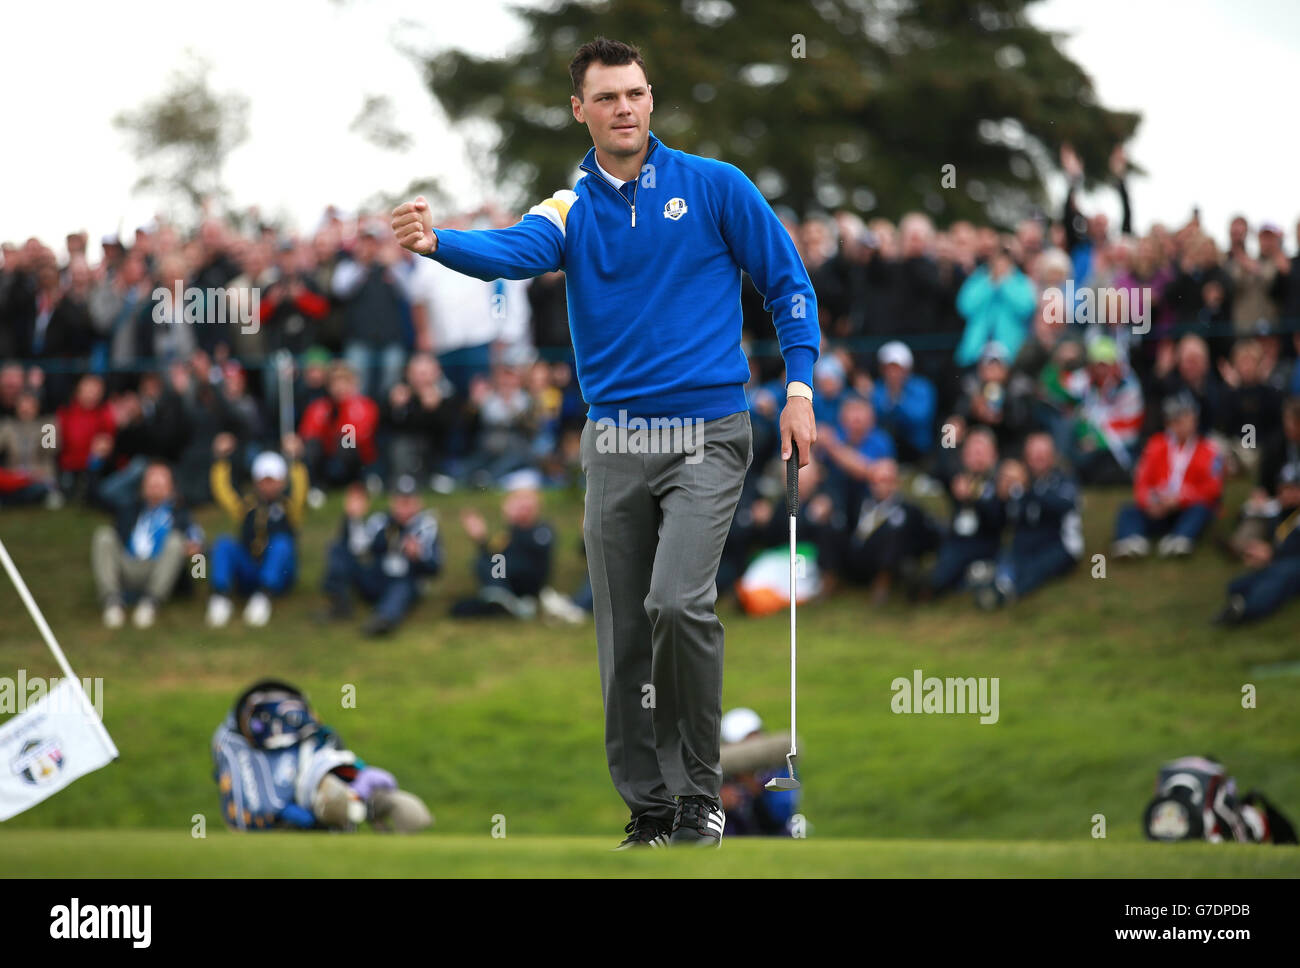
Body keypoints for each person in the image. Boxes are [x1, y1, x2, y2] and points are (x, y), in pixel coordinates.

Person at [391, 36, 819, 848]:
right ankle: (650, 809)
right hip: (616, 439)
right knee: (623, 630)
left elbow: (788, 284)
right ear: (580, 110)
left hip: (709, 433)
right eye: (608, 97)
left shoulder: (715, 186)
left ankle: (699, 797)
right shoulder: (569, 207)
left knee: (676, 601)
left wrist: (799, 389)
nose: (626, 107)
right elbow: (511, 252)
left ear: (651, 100)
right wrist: (438, 241)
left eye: (637, 93)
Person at [212, 679, 432, 832]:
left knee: (355, 797)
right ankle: (363, 806)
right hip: (312, 800)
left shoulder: (313, 742)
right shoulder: (237, 741)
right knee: (338, 800)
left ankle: (377, 804)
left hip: (328, 785)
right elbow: (258, 808)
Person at [206, 433, 309, 628]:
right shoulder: (246, 506)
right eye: (263, 480)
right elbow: (223, 492)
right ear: (256, 481)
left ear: (282, 481)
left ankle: (263, 597)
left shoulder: (290, 507)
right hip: (250, 569)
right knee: (224, 543)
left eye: (273, 480)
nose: (268, 485)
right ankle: (220, 596)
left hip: (280, 575)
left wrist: (296, 460)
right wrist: (221, 461)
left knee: (282, 543)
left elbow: (301, 490)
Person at [320, 476, 442, 637]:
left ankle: (384, 619)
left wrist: (419, 556)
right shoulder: (380, 521)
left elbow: (436, 567)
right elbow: (357, 547)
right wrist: (352, 519)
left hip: (406, 583)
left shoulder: (426, 526)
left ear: (419, 502)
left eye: (409, 502)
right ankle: (338, 603)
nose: (404, 508)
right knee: (337, 549)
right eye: (400, 501)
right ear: (392, 501)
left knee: (402, 587)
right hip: (378, 577)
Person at [974, 433, 1082, 609]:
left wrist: (1028, 489)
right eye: (1034, 453)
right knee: (1011, 555)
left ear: (1053, 455)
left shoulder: (1063, 478)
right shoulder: (1018, 481)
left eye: (1043, 453)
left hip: (1060, 543)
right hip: (1027, 543)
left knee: (1038, 567)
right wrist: (1000, 497)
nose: (1038, 457)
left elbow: (1063, 505)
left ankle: (1009, 591)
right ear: (1026, 456)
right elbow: (999, 519)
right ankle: (995, 582)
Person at [91, 462, 203, 629]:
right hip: (128, 565)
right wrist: (96, 463)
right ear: (142, 486)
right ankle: (112, 602)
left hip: (159, 569)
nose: (155, 484)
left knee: (176, 541)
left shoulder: (181, 514)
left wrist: (196, 561)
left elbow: (199, 549)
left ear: (171, 487)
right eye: (151, 479)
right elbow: (95, 497)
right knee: (104, 536)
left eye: (161, 480)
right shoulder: (128, 508)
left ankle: (151, 603)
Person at [1112, 393, 1224, 559]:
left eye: (1185, 418)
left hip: (1186, 507)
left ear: (1194, 419)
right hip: (1159, 505)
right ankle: (1131, 540)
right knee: (1128, 511)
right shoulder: (1155, 445)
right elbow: (1142, 481)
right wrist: (1150, 500)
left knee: (1200, 510)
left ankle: (1180, 539)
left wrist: (1181, 499)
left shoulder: (1210, 450)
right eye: (1175, 420)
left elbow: (1213, 488)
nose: (1180, 424)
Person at [450, 470, 556, 619]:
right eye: (518, 500)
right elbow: (495, 555)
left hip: (528, 584)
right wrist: (480, 539)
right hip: (508, 582)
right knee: (482, 562)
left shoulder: (543, 530)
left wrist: (515, 524)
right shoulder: (508, 534)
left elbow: (531, 551)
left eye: (527, 500)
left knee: (491, 564)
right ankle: (500, 598)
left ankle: (503, 597)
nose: (523, 505)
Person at [928, 427, 1005, 596]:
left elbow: (998, 518)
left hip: (985, 542)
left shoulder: (1000, 481)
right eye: (972, 451)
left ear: (993, 455)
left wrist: (974, 498)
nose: (977, 456)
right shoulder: (959, 477)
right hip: (956, 540)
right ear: (964, 456)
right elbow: (941, 463)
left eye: (982, 451)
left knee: (941, 577)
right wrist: (948, 433)